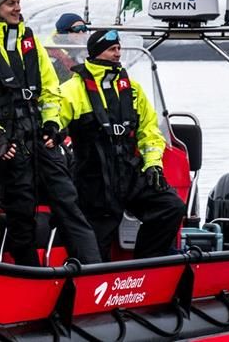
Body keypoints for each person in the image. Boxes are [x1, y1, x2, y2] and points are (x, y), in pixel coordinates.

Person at [0, 0, 102, 266]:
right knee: (21, 215)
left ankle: (93, 271)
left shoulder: (30, 41)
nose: (18, 7)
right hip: (9, 146)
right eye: (11, 3)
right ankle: (30, 279)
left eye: (19, 2)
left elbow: (50, 89)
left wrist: (52, 126)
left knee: (68, 204)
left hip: (42, 140)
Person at [57, 29, 186, 261]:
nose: (118, 54)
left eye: (118, 49)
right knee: (95, 249)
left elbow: (150, 131)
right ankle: (96, 283)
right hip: (93, 180)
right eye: (111, 49)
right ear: (97, 52)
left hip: (129, 173)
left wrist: (153, 165)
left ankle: (146, 264)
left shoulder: (133, 89)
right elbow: (52, 122)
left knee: (170, 206)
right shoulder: (72, 90)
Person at [49, 13, 89, 82]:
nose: (81, 33)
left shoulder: (83, 49)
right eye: (77, 29)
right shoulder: (54, 56)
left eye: (84, 28)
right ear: (64, 33)